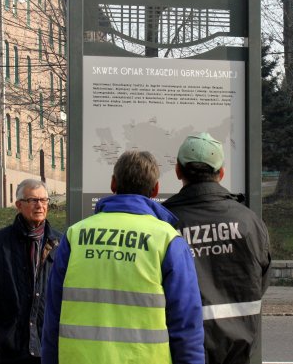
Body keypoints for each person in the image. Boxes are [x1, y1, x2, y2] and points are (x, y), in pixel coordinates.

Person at [41, 150, 204, 364]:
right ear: (155, 189)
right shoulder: (167, 241)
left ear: (113, 184)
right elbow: (186, 327)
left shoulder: (75, 236)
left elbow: (52, 316)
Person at [162, 133, 271, 364]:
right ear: (221, 173)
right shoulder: (248, 221)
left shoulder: (166, 223)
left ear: (178, 171)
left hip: (182, 351)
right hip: (240, 351)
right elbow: (261, 280)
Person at [0, 179, 62, 364]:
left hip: (50, 350)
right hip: (11, 352)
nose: (40, 206)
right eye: (33, 200)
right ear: (19, 205)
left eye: (44, 200)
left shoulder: (61, 244)